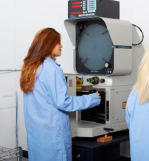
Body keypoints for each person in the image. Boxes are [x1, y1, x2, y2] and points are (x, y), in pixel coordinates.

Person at [20, 28, 101, 161]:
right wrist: (93, 98)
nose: (61, 45)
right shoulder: (51, 69)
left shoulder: (30, 68)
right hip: (53, 137)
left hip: (37, 136)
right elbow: (63, 102)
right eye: (58, 42)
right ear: (48, 45)